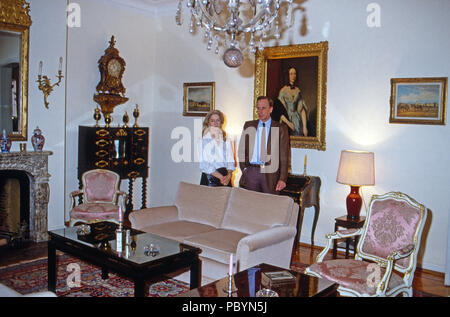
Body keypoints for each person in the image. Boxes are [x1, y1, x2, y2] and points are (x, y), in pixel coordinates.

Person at [238, 96, 290, 194]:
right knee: (250, 205)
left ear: (271, 109)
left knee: (269, 206)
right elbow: (242, 149)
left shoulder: (280, 128)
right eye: (258, 108)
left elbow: (284, 155)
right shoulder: (249, 125)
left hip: (271, 173)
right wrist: (244, 169)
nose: (260, 111)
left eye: (263, 108)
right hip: (251, 172)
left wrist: (282, 178)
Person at [197, 110, 235, 187]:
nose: (215, 123)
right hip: (210, 179)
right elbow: (204, 164)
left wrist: (229, 175)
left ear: (221, 123)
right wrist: (221, 177)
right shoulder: (203, 141)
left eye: (218, 120)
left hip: (226, 178)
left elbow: (230, 161)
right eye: (212, 121)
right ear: (208, 123)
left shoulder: (226, 140)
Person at [277, 67, 309, 136]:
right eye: (291, 74)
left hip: (297, 119)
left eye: (294, 74)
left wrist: (304, 127)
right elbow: (280, 111)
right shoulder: (283, 91)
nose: (293, 76)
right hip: (286, 120)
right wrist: (288, 123)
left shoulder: (298, 90)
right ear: (287, 75)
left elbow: (302, 109)